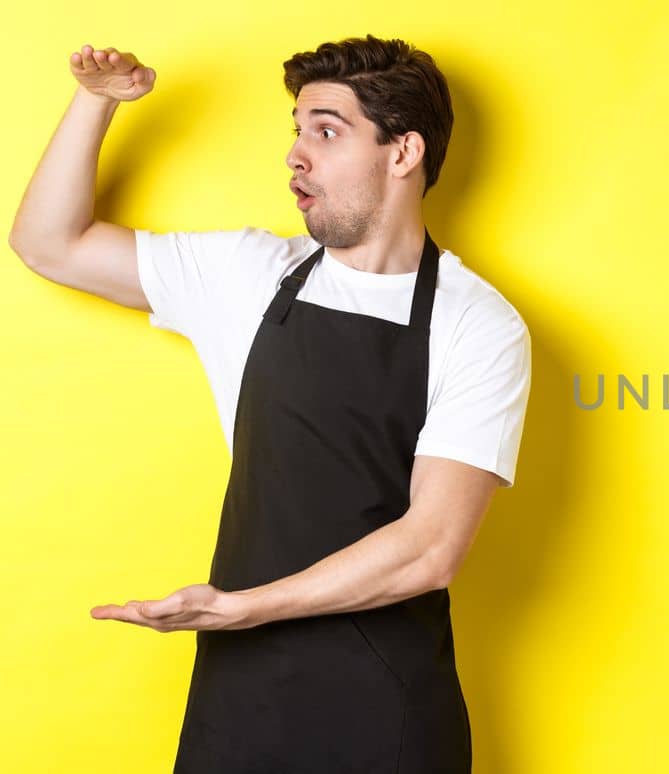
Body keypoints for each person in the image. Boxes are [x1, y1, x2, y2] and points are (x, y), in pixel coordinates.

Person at [7, 35, 532, 773]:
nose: (295, 155)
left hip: (388, 713)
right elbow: (48, 243)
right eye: (296, 130)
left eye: (326, 130)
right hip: (239, 699)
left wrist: (242, 608)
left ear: (403, 152)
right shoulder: (250, 275)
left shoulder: (476, 322)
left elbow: (430, 548)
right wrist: (96, 102)